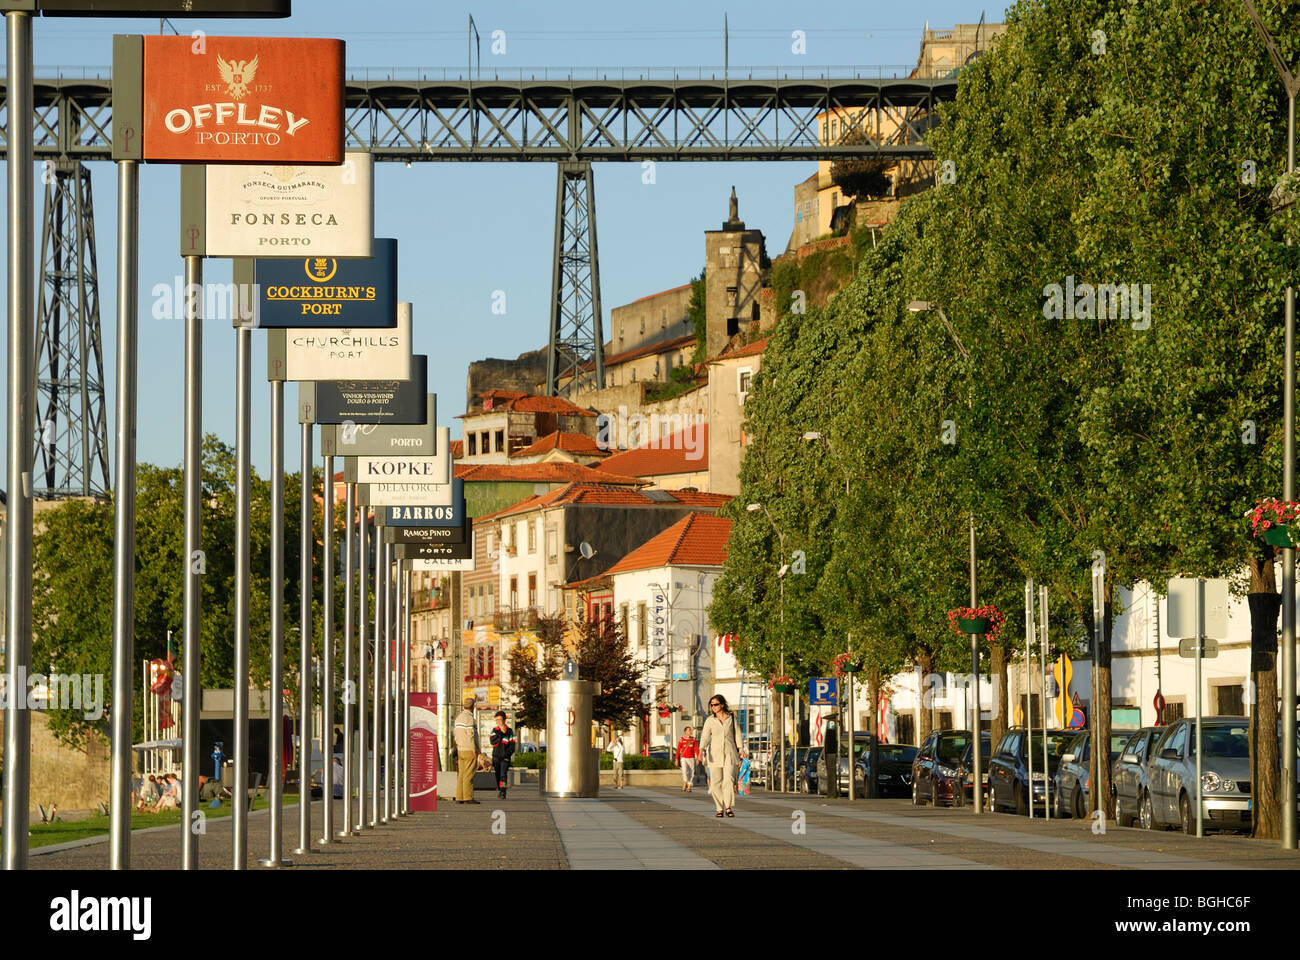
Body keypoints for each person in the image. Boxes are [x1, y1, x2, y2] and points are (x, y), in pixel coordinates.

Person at [699, 694, 746, 818]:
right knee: (715, 782)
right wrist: (701, 750)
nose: (713, 707)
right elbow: (704, 736)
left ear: (722, 705)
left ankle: (728, 807)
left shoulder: (731, 718)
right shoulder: (710, 720)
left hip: (730, 753)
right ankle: (719, 808)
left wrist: (741, 748)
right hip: (714, 754)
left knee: (729, 780)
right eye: (712, 705)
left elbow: (737, 733)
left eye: (715, 704)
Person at [454, 694, 480, 805]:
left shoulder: (458, 718)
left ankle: (459, 796)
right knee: (469, 774)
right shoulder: (470, 719)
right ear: (473, 706)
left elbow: (455, 734)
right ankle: (468, 797)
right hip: (469, 749)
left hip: (460, 749)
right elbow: (470, 735)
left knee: (461, 773)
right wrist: (475, 749)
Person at [489, 711, 516, 799]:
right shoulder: (494, 730)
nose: (498, 721)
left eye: (500, 719)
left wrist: (507, 754)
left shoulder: (510, 731)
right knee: (497, 775)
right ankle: (500, 787)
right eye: (497, 720)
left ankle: (502, 791)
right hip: (496, 757)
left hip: (505, 758)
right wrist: (500, 733)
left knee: (503, 775)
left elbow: (512, 746)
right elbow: (492, 741)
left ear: (504, 719)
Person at [675, 728, 699, 792]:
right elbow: (678, 749)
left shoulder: (693, 739)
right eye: (689, 730)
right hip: (684, 757)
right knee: (684, 770)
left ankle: (689, 785)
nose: (690, 731)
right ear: (685, 731)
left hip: (691, 758)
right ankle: (685, 782)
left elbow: (696, 749)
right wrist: (676, 759)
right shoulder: (682, 739)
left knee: (691, 772)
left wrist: (698, 758)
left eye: (690, 730)